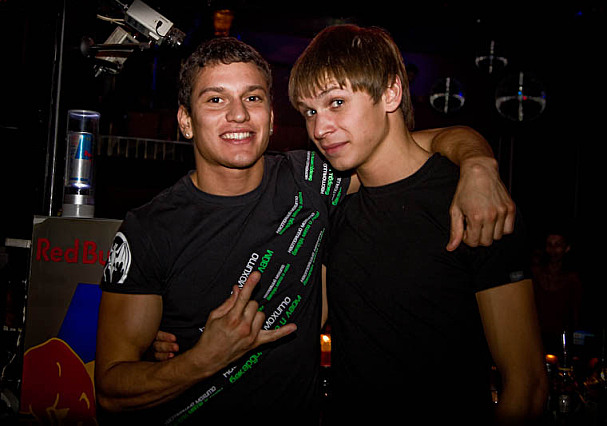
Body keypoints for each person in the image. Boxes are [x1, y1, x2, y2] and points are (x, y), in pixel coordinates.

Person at [95, 36, 515, 425]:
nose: (238, 114)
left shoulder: (311, 178)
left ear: (271, 118)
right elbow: (111, 389)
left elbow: (410, 145)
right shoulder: (147, 229)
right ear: (186, 121)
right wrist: (200, 361)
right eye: (216, 99)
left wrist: (478, 163)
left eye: (253, 98)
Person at [287, 24, 548, 425]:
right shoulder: (334, 205)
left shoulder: (471, 200)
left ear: (391, 93)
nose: (319, 129)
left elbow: (526, 386)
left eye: (336, 102)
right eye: (309, 112)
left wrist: (477, 163)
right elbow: (300, 325)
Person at [532, 229, 583, 354]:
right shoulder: (535, 274)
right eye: (549, 245)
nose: (553, 250)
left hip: (561, 340)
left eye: (557, 245)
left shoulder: (572, 279)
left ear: (567, 248)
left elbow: (576, 313)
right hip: (535, 337)